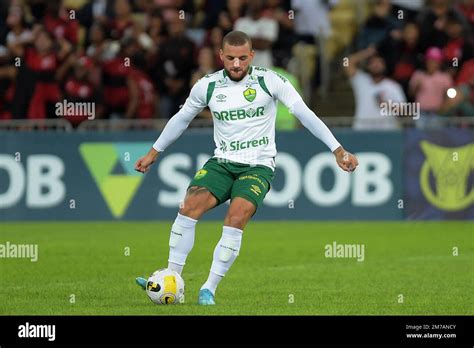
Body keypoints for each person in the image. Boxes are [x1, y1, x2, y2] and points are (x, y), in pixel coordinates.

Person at [134, 31, 358, 305]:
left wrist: (337, 149)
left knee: (236, 217)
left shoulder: (270, 80)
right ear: (221, 56)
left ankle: (209, 289)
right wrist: (154, 152)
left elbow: (304, 113)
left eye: (242, 58)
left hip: (258, 166)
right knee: (188, 208)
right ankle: (172, 279)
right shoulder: (208, 86)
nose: (236, 64)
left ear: (252, 55)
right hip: (222, 162)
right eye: (230, 58)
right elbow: (181, 119)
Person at [344, 46, 406, 130]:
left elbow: (404, 111)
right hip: (361, 131)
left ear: (384, 65)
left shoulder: (393, 86)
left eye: (379, 62)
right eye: (372, 63)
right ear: (368, 66)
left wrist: (387, 105)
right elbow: (346, 62)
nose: (376, 65)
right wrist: (367, 52)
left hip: (386, 133)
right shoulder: (361, 81)